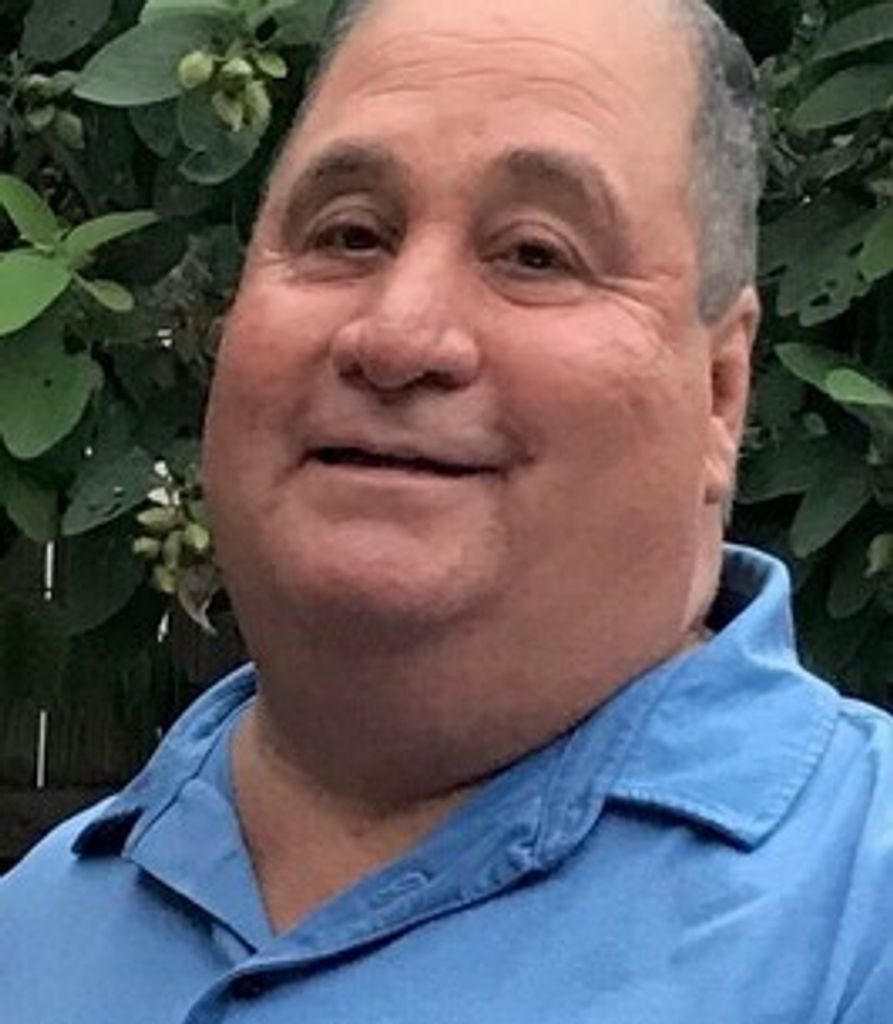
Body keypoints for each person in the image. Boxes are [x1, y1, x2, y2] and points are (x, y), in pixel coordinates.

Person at [2, 0, 892, 1019]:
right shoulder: (33, 930)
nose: (397, 335)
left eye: (534, 255)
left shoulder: (859, 915)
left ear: (720, 392)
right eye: (348, 234)